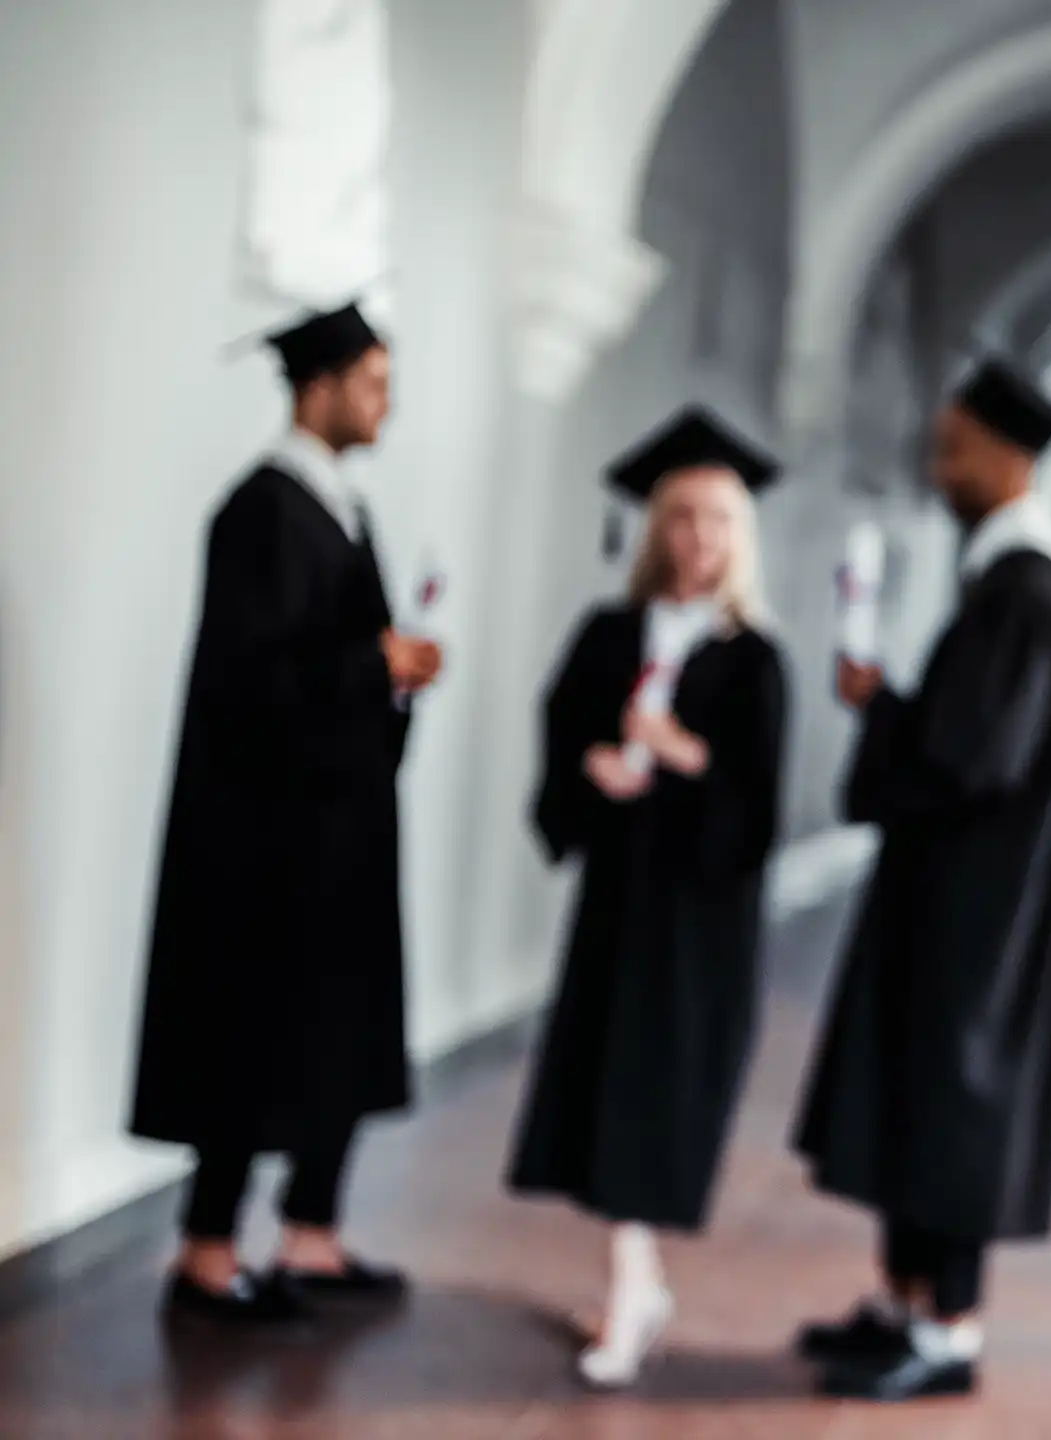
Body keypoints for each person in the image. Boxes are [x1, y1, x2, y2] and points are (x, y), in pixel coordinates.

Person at [131, 302, 442, 1324]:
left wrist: (396, 679)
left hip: (339, 832)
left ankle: (313, 1234)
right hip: (261, 842)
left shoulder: (347, 509)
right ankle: (210, 1252)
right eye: (374, 384)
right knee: (245, 1035)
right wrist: (373, 665)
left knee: (331, 1031)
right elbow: (249, 678)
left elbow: (347, 662)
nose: (385, 405)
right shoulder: (260, 512)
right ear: (320, 385)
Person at [792, 359, 1051, 1402]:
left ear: (1010, 459)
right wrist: (893, 704)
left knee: (957, 1099)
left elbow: (975, 759)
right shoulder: (1004, 583)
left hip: (982, 913)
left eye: (954, 446)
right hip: (955, 896)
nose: (938, 464)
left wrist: (882, 711)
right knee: (916, 1092)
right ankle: (905, 1301)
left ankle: (949, 1330)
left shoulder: (1029, 592)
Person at [508, 407, 789, 1388]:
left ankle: (633, 1291)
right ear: (656, 526)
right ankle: (636, 1279)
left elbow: (759, 806)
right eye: (681, 517)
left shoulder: (752, 658)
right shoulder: (610, 632)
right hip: (618, 902)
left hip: (698, 922)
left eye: (716, 520)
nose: (697, 539)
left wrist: (684, 756)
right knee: (604, 1089)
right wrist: (593, 764)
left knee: (655, 1095)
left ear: (738, 536)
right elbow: (562, 730)